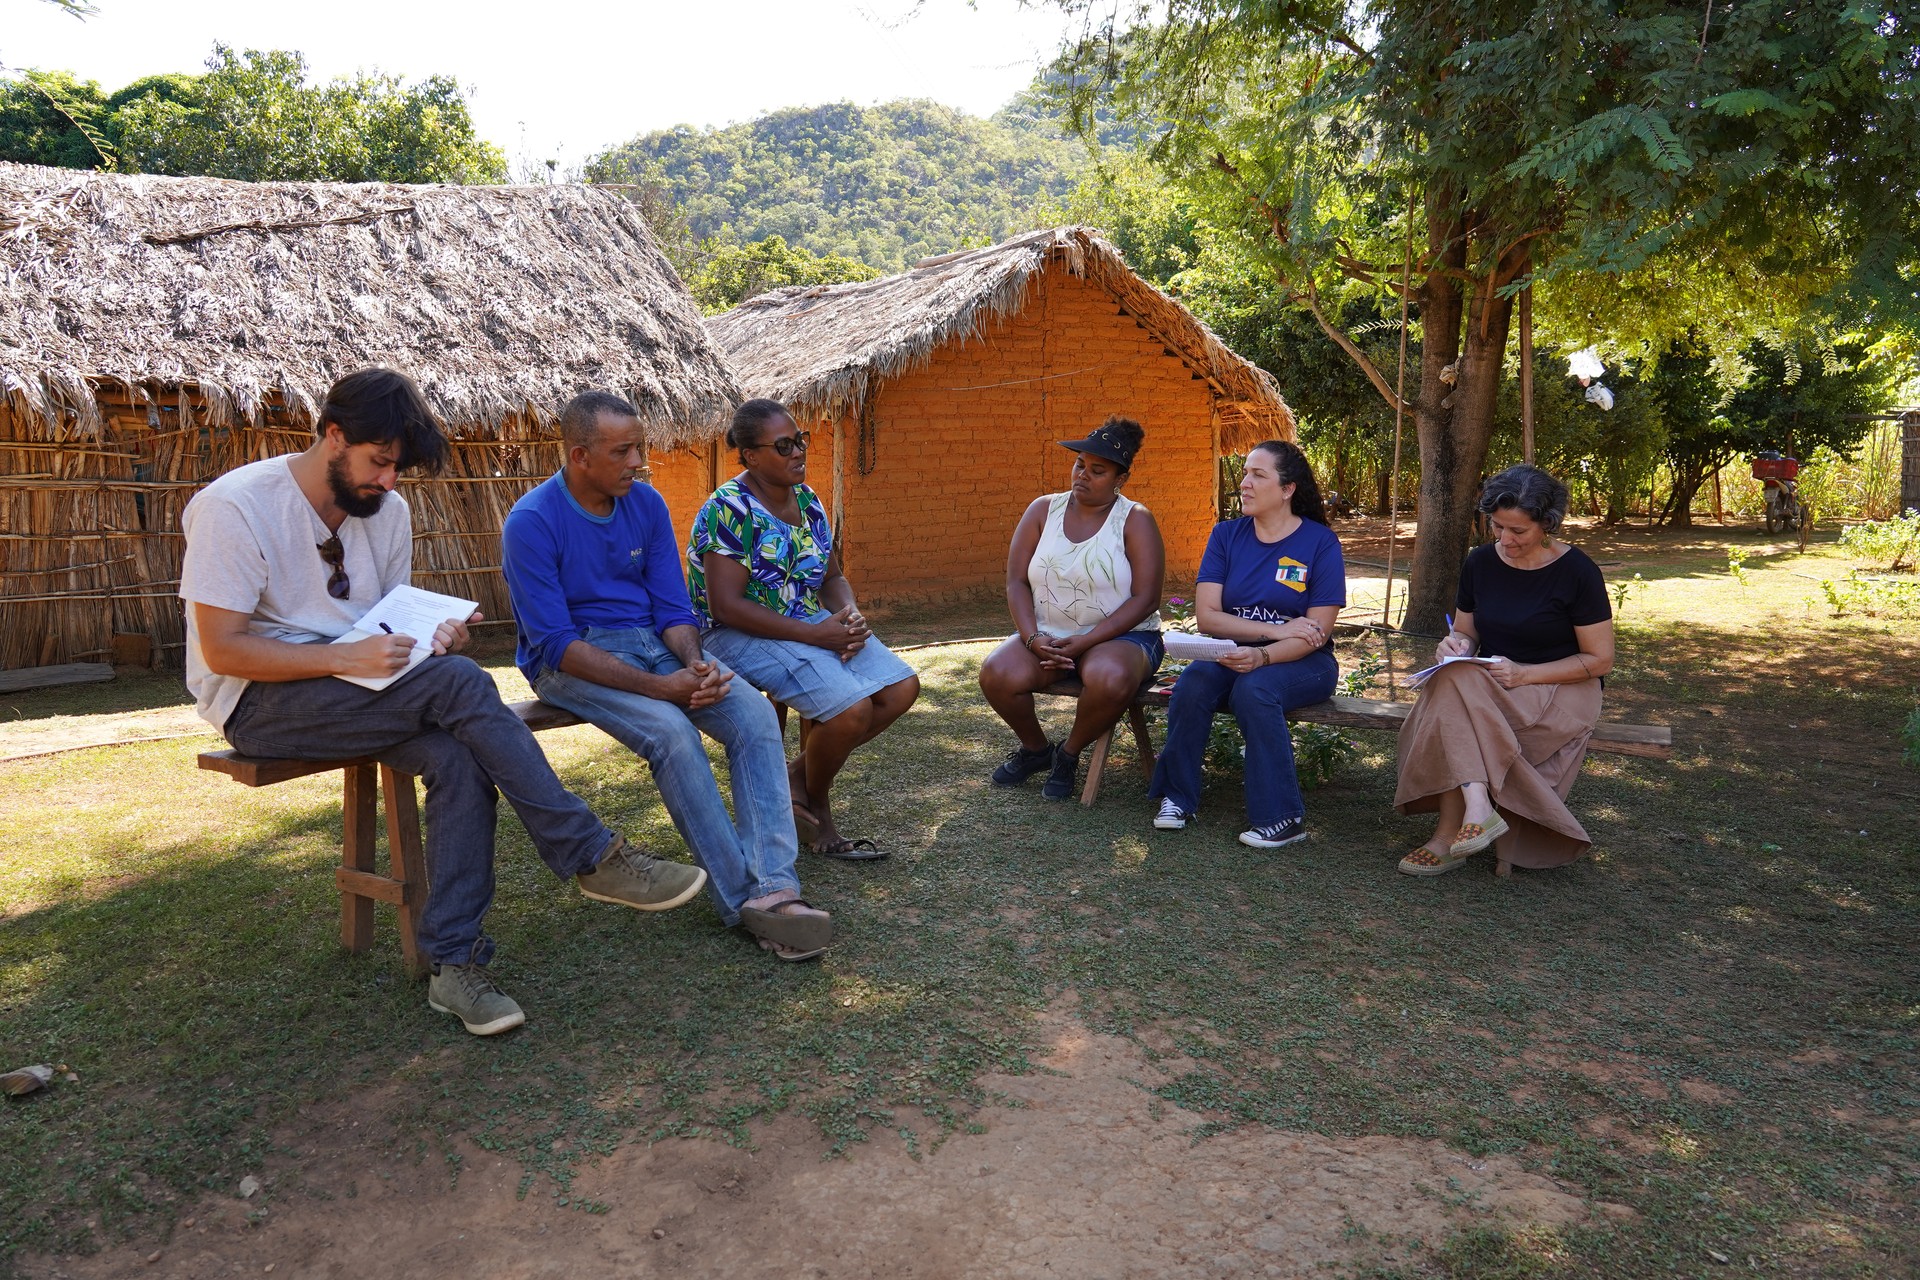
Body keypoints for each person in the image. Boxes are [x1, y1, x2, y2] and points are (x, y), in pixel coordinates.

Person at [179, 368, 706, 1036]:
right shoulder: (237, 506)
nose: (389, 482)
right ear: (332, 436)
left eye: (398, 468)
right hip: (260, 705)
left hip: (362, 694)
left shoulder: (385, 512)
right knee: (460, 684)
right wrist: (342, 658)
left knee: (459, 757)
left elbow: (380, 626)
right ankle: (589, 855)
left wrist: (430, 634)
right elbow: (223, 649)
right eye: (379, 463)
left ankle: (453, 966)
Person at [500, 391, 832, 962]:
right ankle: (747, 905)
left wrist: (693, 663)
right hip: (572, 661)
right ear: (580, 456)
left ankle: (777, 887)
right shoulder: (531, 522)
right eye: (624, 451)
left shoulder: (646, 504)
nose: (638, 462)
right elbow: (555, 643)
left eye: (640, 449)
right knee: (673, 735)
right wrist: (662, 689)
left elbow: (674, 610)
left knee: (752, 716)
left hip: (657, 646)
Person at [689, 398, 920, 861]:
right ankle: (814, 806)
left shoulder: (809, 501)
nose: (798, 452)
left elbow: (831, 578)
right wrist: (819, 636)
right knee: (850, 711)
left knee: (901, 689)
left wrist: (849, 613)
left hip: (807, 620)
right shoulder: (728, 509)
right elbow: (726, 606)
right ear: (750, 455)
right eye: (783, 445)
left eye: (801, 441)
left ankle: (796, 779)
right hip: (734, 633)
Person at [1395, 464, 1614, 875]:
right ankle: (1477, 806)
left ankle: (1447, 835)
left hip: (1561, 688)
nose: (1506, 540)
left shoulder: (1577, 572)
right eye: (1498, 527)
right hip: (1493, 684)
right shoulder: (1480, 563)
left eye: (1519, 531)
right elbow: (1466, 635)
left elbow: (1599, 661)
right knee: (1451, 675)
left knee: (1452, 695)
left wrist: (1524, 674)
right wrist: (1456, 646)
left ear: (1546, 525)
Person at [1148, 440, 1345, 848]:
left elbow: (1316, 632)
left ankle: (1283, 818)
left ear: (1287, 489)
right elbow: (1208, 617)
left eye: (1259, 475)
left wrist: (1264, 655)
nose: (1245, 483)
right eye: (1245, 474)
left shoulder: (1320, 543)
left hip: (1304, 663)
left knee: (1256, 689)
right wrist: (1272, 632)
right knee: (1193, 684)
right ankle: (1177, 798)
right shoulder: (1226, 536)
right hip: (1233, 653)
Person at [977, 415, 1166, 799]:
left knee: (1110, 677)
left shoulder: (1134, 520)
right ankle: (1036, 751)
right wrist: (1031, 639)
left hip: (1126, 638)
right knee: (996, 674)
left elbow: (1146, 598)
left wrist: (1085, 643)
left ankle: (1068, 754)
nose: (1083, 474)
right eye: (1080, 464)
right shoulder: (1043, 511)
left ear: (1120, 480)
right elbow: (1016, 582)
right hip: (1050, 635)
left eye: (1098, 470)